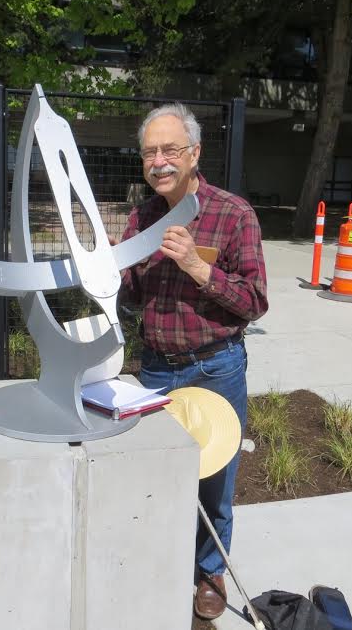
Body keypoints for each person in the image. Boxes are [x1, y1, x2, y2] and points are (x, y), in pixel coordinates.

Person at [118, 103, 268, 620]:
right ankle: (162, 561)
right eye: (149, 152)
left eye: (169, 150)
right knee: (160, 474)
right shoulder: (142, 217)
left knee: (214, 479)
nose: (159, 162)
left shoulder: (233, 213)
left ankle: (209, 572)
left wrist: (194, 266)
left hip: (215, 367)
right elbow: (134, 298)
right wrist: (120, 268)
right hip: (156, 368)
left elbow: (253, 301)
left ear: (194, 153)